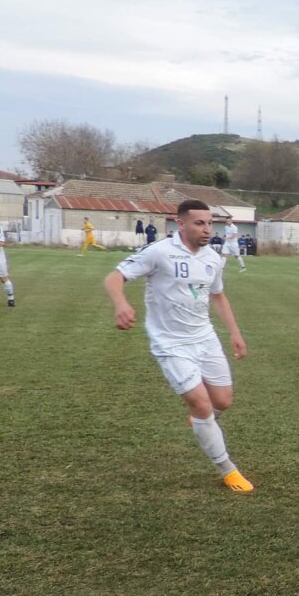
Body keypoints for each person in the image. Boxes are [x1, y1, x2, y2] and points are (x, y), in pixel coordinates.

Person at [104, 198, 253, 493]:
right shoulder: (159, 252)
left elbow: (218, 295)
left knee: (222, 401)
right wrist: (121, 304)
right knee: (201, 403)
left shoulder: (213, 258)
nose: (207, 229)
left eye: (210, 223)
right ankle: (229, 470)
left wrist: (235, 333)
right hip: (170, 343)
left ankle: (201, 421)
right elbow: (114, 277)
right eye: (200, 223)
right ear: (180, 223)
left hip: (205, 338)